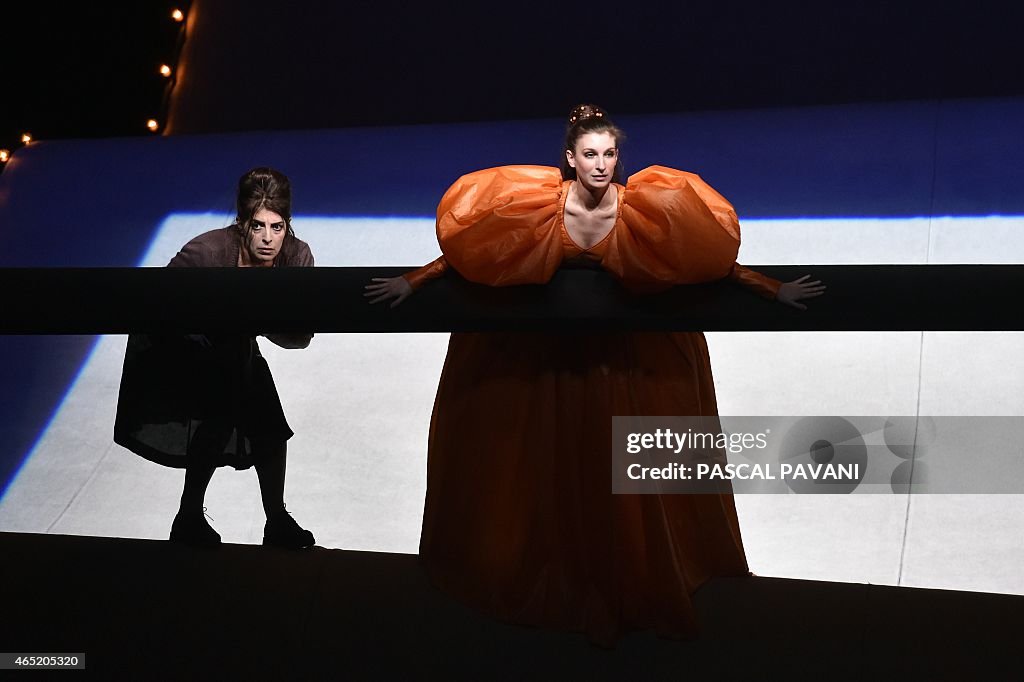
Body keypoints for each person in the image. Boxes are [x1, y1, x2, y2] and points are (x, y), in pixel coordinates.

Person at [365, 105, 824, 644]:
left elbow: (707, 262)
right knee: (547, 475)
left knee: (616, 480)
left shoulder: (643, 211)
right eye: (590, 154)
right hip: (549, 367)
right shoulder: (535, 206)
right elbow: (476, 253)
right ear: (569, 159)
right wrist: (413, 283)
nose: (601, 164)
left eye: (609, 154)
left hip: (617, 366)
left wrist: (773, 289)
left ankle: (631, 585)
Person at [114, 167, 316, 550]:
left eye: (277, 227)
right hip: (180, 345)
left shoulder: (296, 256)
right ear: (242, 222)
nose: (268, 238)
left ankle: (263, 519)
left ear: (287, 224)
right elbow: (158, 314)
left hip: (237, 347)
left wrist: (253, 319)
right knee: (228, 399)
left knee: (267, 423)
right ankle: (194, 517)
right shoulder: (204, 253)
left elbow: (300, 337)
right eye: (258, 227)